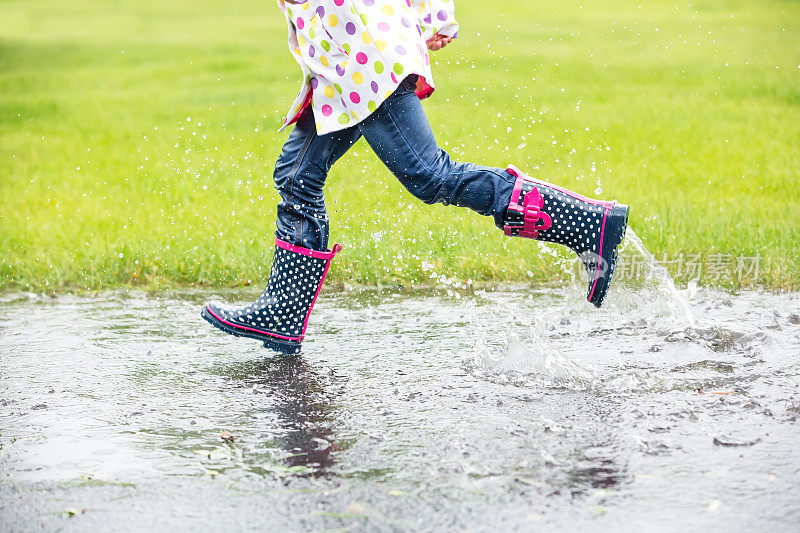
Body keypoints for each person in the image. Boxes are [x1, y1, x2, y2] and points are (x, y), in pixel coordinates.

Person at [202, 0, 629, 354]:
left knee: (429, 175)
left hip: (364, 62)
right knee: (297, 176)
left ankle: (588, 222)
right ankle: (284, 312)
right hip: (339, 68)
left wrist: (437, 16)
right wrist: (436, 14)